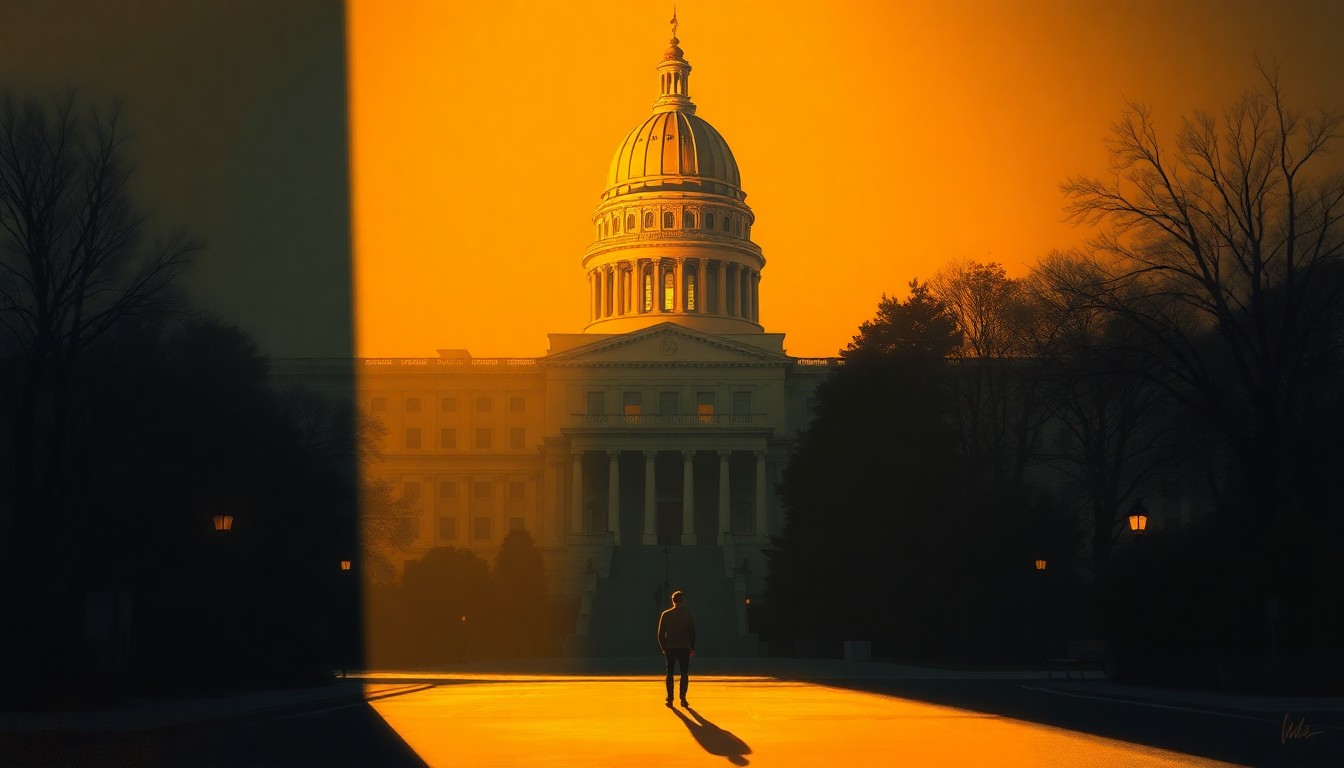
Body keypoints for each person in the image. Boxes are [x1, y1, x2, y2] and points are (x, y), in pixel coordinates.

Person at [656, 590, 696, 707]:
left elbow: (660, 634)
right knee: (684, 673)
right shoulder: (688, 615)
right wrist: (692, 647)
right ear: (683, 601)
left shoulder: (666, 614)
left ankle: (670, 698)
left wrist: (664, 647)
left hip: (670, 648)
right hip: (684, 647)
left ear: (672, 601)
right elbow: (692, 633)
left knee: (670, 673)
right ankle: (683, 699)